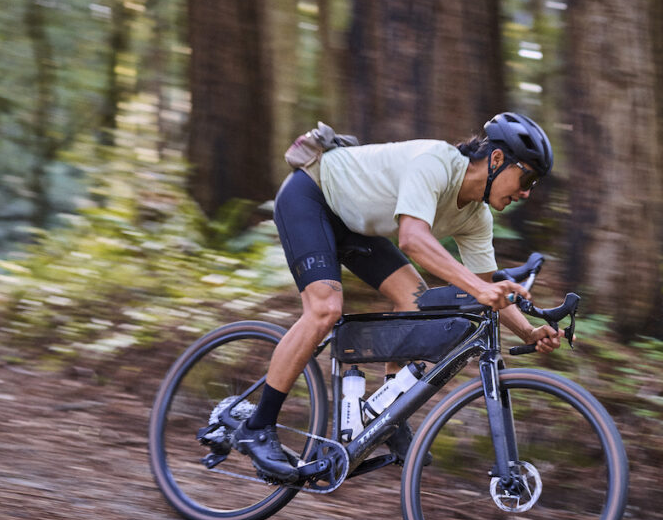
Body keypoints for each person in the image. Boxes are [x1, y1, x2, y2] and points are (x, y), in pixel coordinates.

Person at [234, 112, 564, 482]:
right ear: (498, 160)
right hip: (312, 195)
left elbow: (487, 293)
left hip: (352, 223)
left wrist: (529, 332)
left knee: (414, 302)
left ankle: (387, 417)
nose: (526, 192)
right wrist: (482, 288)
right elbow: (412, 239)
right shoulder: (437, 163)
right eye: (528, 178)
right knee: (325, 308)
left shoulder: (476, 218)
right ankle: (257, 426)